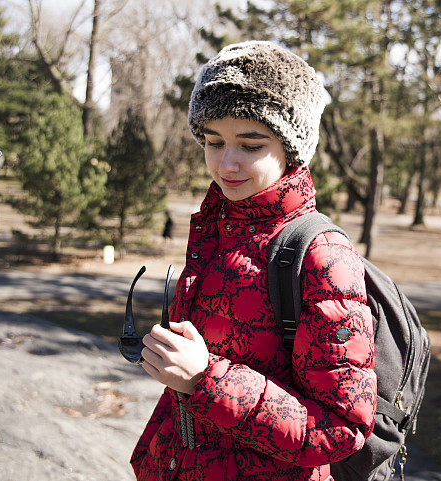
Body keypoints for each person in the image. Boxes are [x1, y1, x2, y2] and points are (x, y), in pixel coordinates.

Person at [130, 41, 376, 481]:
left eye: (250, 144)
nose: (227, 163)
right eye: (213, 140)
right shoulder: (217, 230)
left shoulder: (322, 255)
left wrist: (206, 379)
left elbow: (341, 427)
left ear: (290, 147)